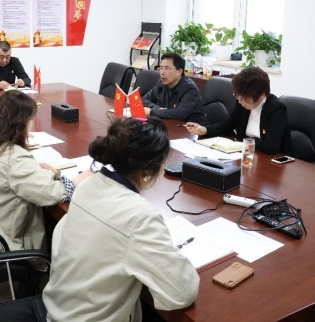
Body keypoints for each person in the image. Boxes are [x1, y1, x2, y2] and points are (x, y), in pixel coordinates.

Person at [43, 117, 200, 321]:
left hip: (59, 309)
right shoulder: (140, 216)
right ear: (148, 171)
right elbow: (183, 292)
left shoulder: (88, 185)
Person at [0, 91, 93, 258]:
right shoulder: (15, 159)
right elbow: (54, 193)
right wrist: (85, 175)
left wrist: (34, 169)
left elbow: (6, 172)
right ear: (21, 123)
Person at [186, 66, 291, 155]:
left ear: (261, 95)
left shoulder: (276, 109)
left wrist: (244, 142)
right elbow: (227, 125)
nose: (240, 101)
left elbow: (271, 146)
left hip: (272, 161)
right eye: (238, 96)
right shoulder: (242, 103)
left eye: (245, 98)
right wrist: (205, 130)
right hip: (247, 154)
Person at [142, 52, 207, 126]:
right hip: (170, 123)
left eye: (167, 68)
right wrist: (157, 108)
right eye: (161, 68)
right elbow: (143, 99)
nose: (162, 72)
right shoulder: (161, 83)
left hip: (192, 128)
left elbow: (180, 114)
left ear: (179, 72)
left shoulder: (190, 89)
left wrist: (152, 111)